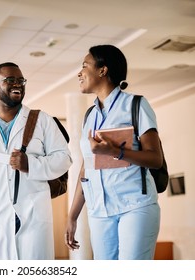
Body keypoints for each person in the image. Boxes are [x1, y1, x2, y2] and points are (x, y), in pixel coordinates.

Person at [0, 62, 72, 260]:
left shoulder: (42, 121)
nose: (17, 84)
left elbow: (64, 158)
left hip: (33, 214)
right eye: (10, 80)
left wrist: (31, 165)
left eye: (21, 80)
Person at [65, 45, 162, 260]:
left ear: (103, 70)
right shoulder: (89, 115)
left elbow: (155, 159)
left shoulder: (135, 104)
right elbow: (86, 168)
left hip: (135, 206)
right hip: (99, 210)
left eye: (85, 66)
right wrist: (72, 216)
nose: (79, 73)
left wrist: (115, 151)